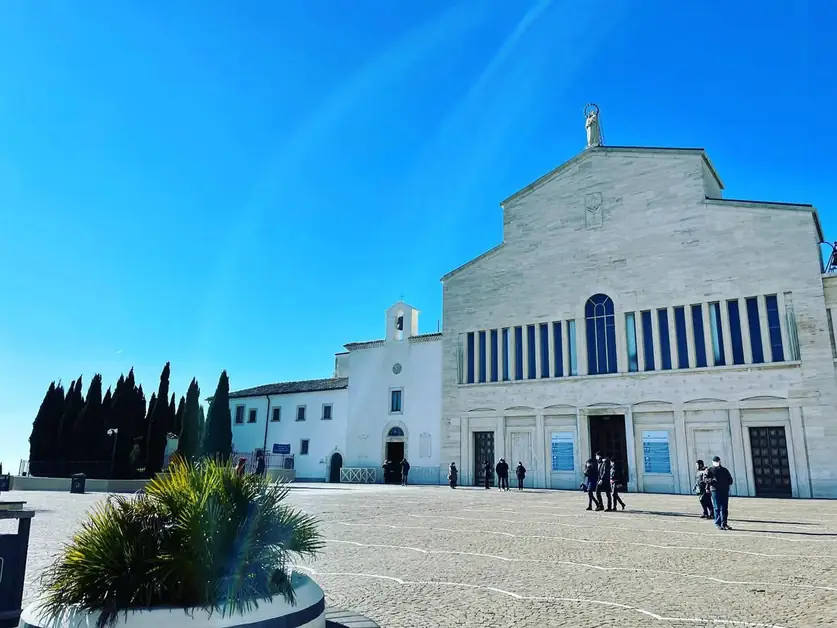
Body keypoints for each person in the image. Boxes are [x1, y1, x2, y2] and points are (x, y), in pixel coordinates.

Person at [705, 455, 734, 530]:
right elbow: (705, 479)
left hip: (724, 490)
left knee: (724, 508)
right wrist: (712, 482)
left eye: (717, 461)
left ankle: (724, 523)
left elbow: (730, 480)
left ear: (720, 461)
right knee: (717, 507)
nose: (716, 463)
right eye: (715, 461)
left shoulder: (724, 470)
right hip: (715, 491)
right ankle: (718, 523)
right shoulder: (709, 470)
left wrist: (727, 482)